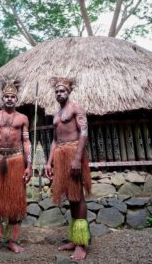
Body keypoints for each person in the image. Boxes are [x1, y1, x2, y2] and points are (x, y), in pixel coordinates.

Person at [0, 78, 32, 255]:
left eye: (12, 96)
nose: (9, 98)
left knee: (15, 200)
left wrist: (29, 165)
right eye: (6, 96)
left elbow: (26, 141)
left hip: (16, 160)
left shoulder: (23, 118)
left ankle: (12, 240)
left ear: (17, 99)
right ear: (2, 98)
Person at [46, 77, 92, 260]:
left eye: (62, 91)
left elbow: (84, 132)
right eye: (56, 91)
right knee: (70, 197)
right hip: (60, 154)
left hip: (74, 153)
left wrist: (77, 158)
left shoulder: (76, 108)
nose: (59, 94)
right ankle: (74, 238)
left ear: (69, 91)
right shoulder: (57, 115)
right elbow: (55, 140)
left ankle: (82, 244)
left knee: (78, 196)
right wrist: (49, 162)